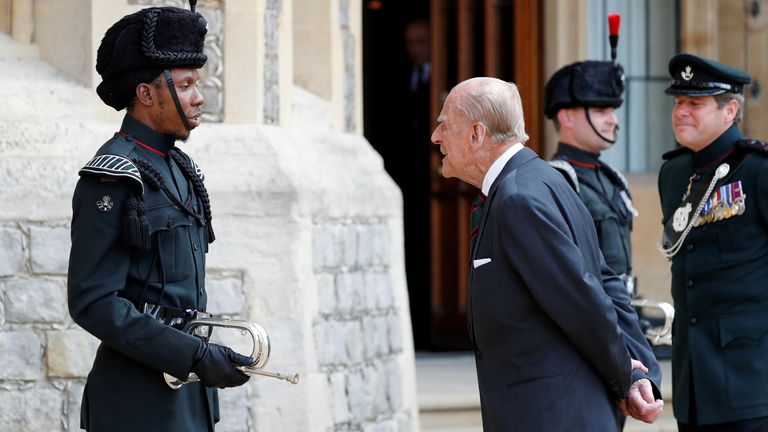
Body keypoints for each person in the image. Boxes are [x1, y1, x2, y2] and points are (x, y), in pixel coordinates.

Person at [431, 77, 662, 430]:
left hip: (551, 416)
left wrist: (626, 377)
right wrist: (638, 369)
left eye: (444, 125)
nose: (436, 137)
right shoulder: (541, 180)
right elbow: (604, 282)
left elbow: (583, 299)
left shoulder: (518, 198)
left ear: (477, 134)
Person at [67, 6, 252, 431]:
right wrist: (193, 355)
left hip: (186, 399)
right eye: (185, 85)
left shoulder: (178, 167)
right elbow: (93, 302)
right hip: (137, 406)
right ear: (147, 94)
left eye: (197, 84)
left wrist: (203, 356)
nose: (199, 97)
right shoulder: (114, 175)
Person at [544, 61, 666, 428]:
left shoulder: (610, 178)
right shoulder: (557, 180)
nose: (613, 119)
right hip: (590, 329)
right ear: (566, 117)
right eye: (600, 109)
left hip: (622, 320)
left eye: (613, 109)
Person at [658, 53, 768, 431]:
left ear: (730, 109)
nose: (681, 111)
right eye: (677, 102)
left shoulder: (758, 171)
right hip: (692, 384)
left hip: (751, 381)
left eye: (695, 103)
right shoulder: (673, 175)